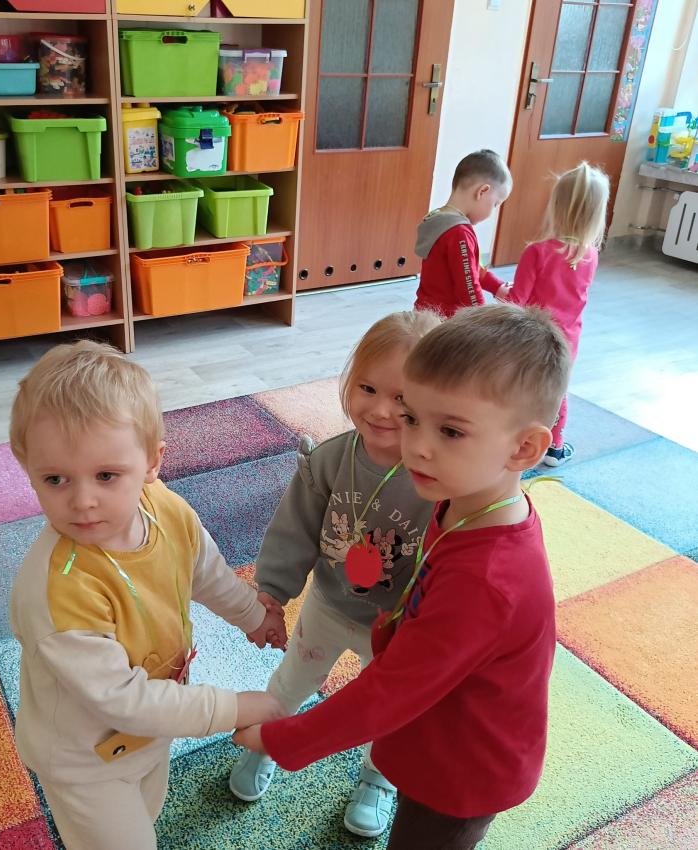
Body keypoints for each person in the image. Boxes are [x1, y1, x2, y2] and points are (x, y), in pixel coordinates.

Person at [234, 304, 571, 850]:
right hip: (426, 729)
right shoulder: (464, 501)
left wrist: (282, 739)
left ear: (525, 448)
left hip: (460, 770)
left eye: (451, 430)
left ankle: (375, 782)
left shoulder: (486, 579)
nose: (417, 445)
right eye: (414, 418)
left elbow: (389, 693)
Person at [7, 340, 286, 850]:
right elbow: (126, 700)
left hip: (152, 727)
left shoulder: (167, 510)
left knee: (148, 812)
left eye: (106, 476)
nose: (83, 500)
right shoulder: (57, 591)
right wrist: (236, 707)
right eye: (55, 479)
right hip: (82, 760)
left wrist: (252, 615)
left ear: (152, 463)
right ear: (28, 468)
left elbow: (205, 571)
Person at [229, 310, 441, 839]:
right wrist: (271, 593)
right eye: (367, 388)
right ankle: (266, 742)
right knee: (292, 680)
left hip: (395, 629)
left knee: (390, 711)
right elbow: (294, 528)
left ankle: (378, 778)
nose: (381, 410)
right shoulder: (328, 460)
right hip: (327, 605)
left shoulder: (438, 482)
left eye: (403, 400)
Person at [507, 161, 610, 466]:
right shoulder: (590, 255)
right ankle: (555, 446)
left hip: (532, 337)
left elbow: (515, 302)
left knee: (522, 386)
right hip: (568, 339)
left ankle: (513, 436)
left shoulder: (537, 252)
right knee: (557, 390)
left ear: (556, 207)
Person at [414, 149, 512, 316]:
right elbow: (469, 289)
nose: (493, 211)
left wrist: (497, 286)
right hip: (446, 322)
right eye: (496, 204)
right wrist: (482, 320)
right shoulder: (459, 233)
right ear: (482, 192)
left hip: (424, 316)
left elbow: (471, 269)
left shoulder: (438, 218)